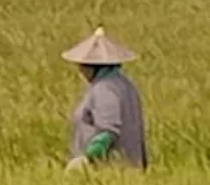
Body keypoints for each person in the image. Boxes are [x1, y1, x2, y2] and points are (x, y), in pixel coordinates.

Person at [62, 27, 148, 172]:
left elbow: (108, 131)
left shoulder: (105, 89)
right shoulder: (126, 84)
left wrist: (87, 160)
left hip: (110, 170)